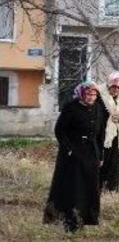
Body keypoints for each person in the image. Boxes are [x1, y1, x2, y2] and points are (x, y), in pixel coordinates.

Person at [43, 81, 105, 232]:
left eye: (94, 94)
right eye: (89, 94)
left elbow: (100, 133)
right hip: (73, 155)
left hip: (91, 153)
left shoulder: (98, 108)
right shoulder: (71, 108)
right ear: (81, 94)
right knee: (74, 188)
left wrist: (101, 155)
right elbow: (60, 131)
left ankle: (85, 219)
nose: (91, 97)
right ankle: (70, 221)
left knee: (89, 187)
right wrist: (69, 149)